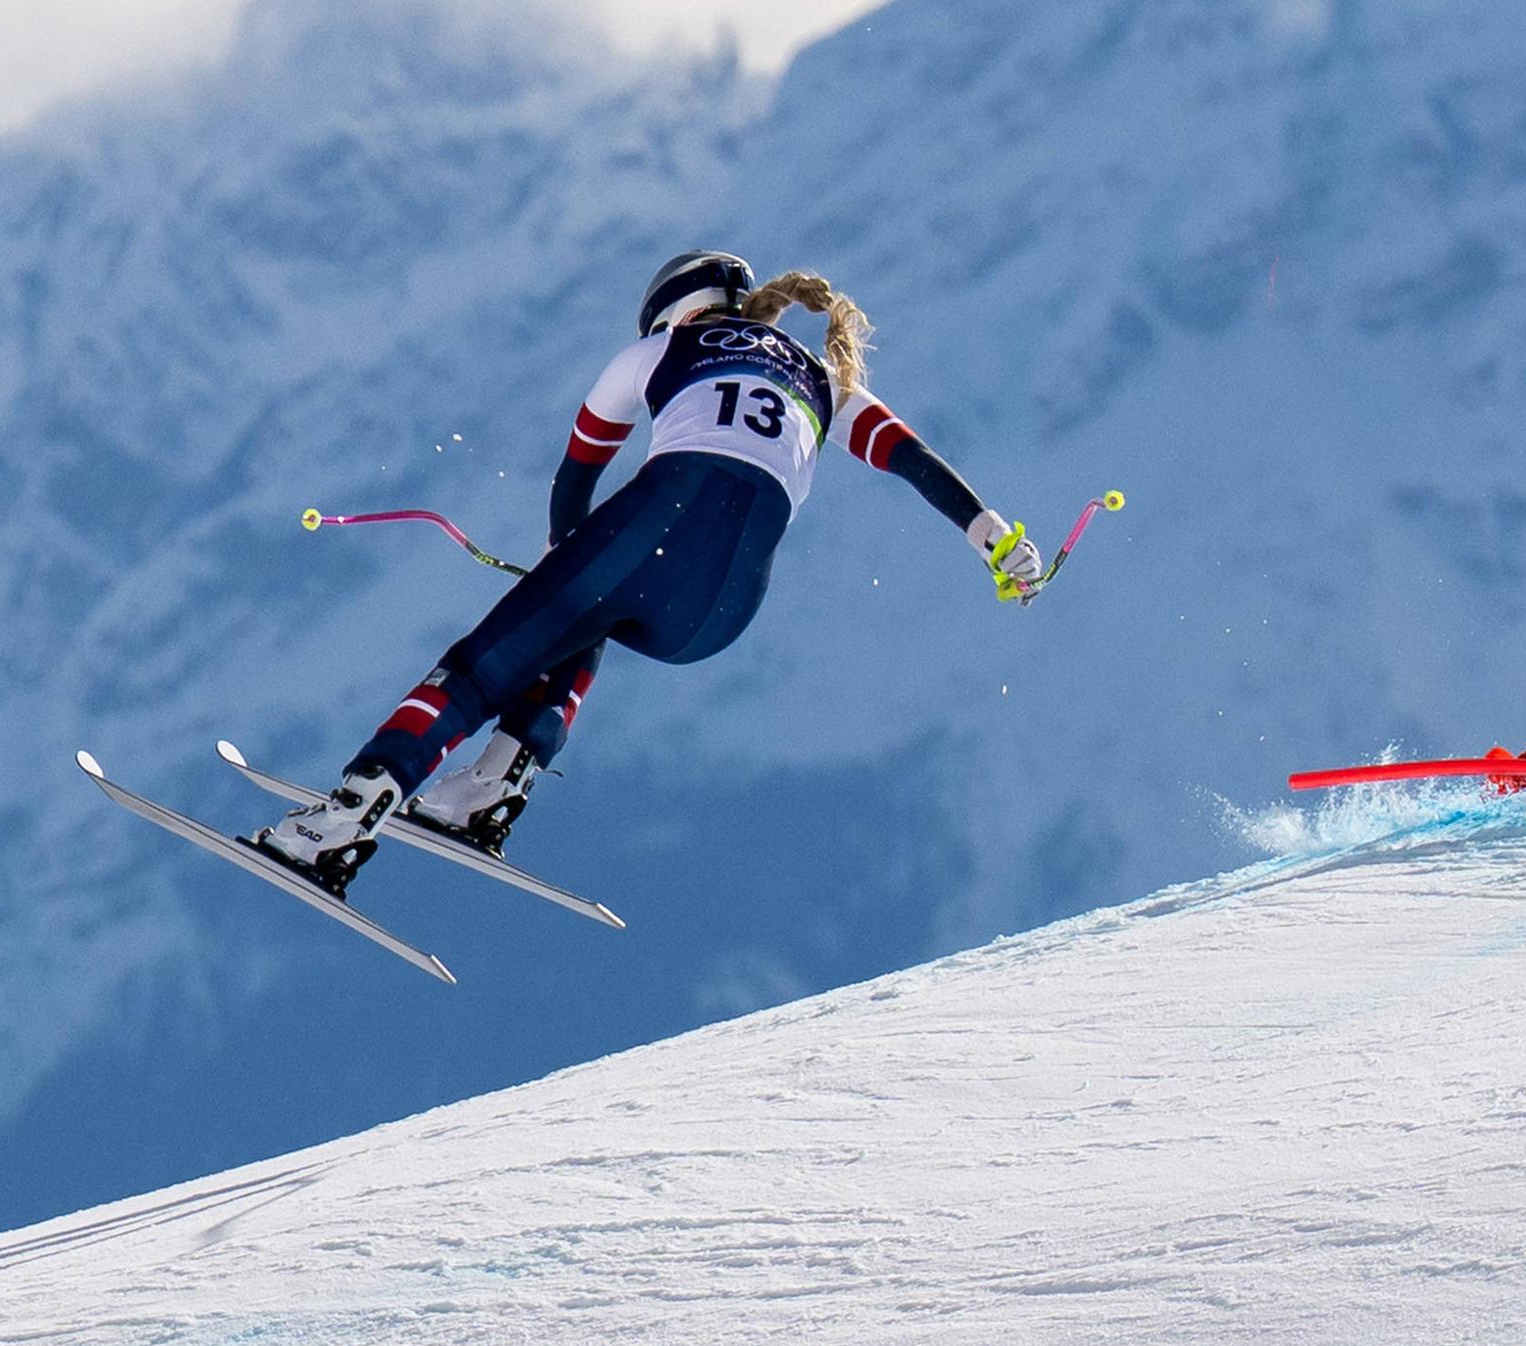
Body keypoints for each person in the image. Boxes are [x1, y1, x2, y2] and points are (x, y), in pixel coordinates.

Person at [254, 251, 1046, 895]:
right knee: (589, 611)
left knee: (483, 664)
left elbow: (577, 475)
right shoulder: (825, 380)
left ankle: (342, 822)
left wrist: (556, 569)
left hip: (661, 524)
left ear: (671, 311)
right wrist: (994, 539)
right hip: (722, 614)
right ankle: (494, 786)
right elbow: (914, 460)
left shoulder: (659, 350)